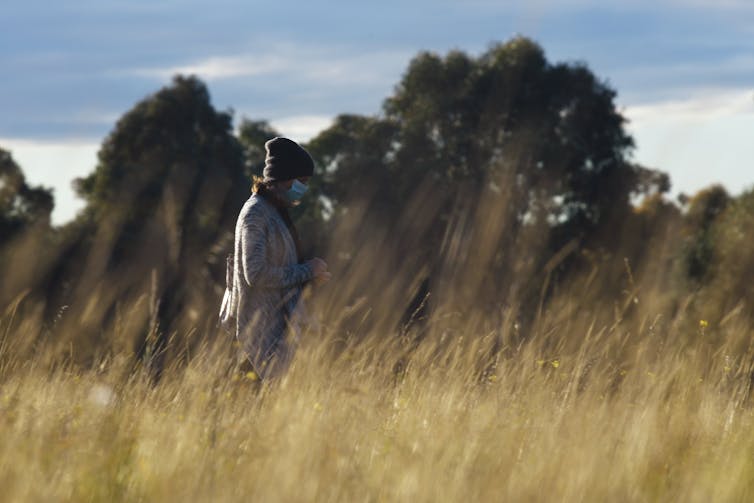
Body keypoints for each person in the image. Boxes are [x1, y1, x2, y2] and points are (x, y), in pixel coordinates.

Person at [219, 137, 330, 380]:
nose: (304, 188)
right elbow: (256, 274)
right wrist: (306, 271)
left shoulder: (273, 213)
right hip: (254, 346)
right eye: (301, 181)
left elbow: (278, 271)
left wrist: (308, 277)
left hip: (272, 347)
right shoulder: (255, 215)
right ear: (282, 178)